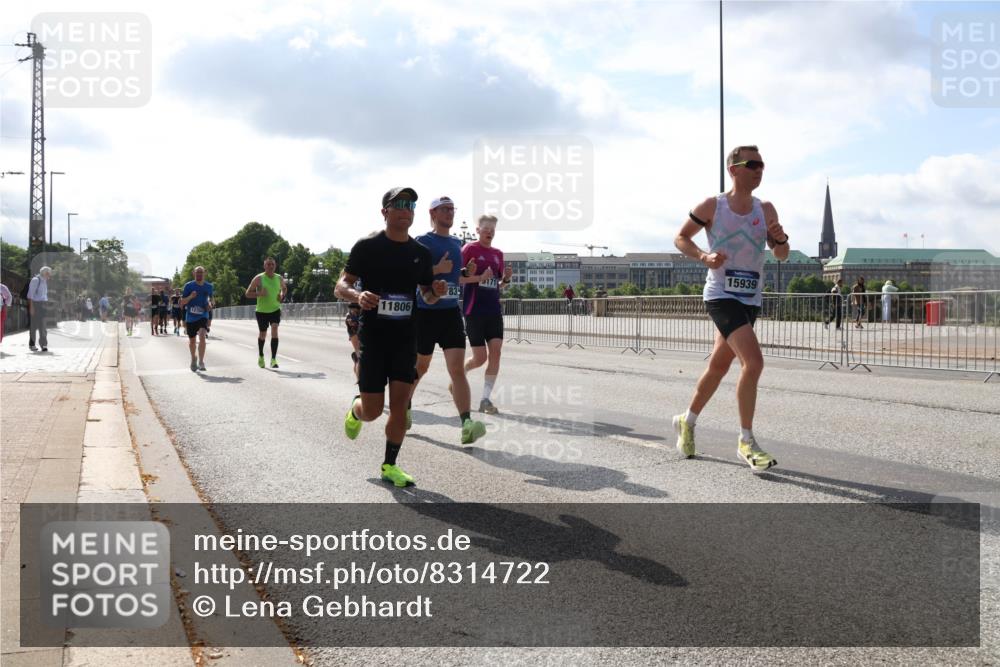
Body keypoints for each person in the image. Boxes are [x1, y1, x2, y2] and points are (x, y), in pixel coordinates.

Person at [672, 144, 789, 471]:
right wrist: (704, 257)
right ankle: (746, 441)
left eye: (762, 164)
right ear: (733, 169)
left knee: (719, 366)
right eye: (753, 164)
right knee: (753, 362)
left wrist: (779, 240)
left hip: (751, 297)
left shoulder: (765, 210)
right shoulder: (712, 206)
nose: (759, 169)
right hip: (721, 294)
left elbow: (782, 255)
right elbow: (681, 237)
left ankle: (687, 420)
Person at [334, 186, 447, 488]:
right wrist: (358, 296)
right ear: (385, 211)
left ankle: (390, 465)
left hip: (405, 338)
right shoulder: (368, 246)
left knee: (400, 406)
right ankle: (357, 409)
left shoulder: (420, 254)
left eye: (410, 204)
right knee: (373, 411)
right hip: (374, 337)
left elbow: (426, 293)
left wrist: (434, 291)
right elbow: (340, 286)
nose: (405, 209)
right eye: (398, 204)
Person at [412, 196, 487, 445]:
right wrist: (437, 270)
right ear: (432, 213)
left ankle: (466, 423)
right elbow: (411, 274)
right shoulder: (422, 242)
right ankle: (405, 406)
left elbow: (456, 276)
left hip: (450, 314)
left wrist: (467, 273)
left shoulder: (457, 242)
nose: (450, 213)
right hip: (425, 312)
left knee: (456, 369)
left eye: (452, 209)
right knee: (420, 367)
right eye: (444, 209)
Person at [462, 214, 514, 414]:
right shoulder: (469, 249)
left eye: (493, 229)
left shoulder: (498, 254)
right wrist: (478, 277)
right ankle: (461, 372)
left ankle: (485, 399)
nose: (490, 232)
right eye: (486, 229)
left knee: (496, 353)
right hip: (474, 311)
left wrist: (507, 279)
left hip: (493, 310)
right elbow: (457, 279)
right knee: (480, 358)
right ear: (477, 230)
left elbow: (499, 286)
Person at [245, 256, 286, 368]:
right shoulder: (259, 278)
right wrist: (259, 294)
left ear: (275, 266)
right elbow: (247, 293)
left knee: (274, 329)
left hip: (275, 309)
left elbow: (284, 289)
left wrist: (281, 296)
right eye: (268, 264)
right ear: (264, 266)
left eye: (272, 264)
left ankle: (273, 359)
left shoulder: (279, 278)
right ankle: (261, 355)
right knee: (263, 334)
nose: (270, 266)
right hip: (262, 311)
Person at [180, 266, 214, 371]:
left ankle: (201, 361)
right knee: (192, 341)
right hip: (190, 317)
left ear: (205, 273)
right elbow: (182, 302)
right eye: (197, 272)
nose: (199, 274)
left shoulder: (209, 286)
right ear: (193, 273)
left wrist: (210, 304)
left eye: (201, 272)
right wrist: (190, 297)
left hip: (203, 315)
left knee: (202, 336)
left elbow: (212, 300)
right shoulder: (188, 286)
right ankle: (193, 358)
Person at [27, 266, 53, 352]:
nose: (50, 275)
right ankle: (32, 344)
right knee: (33, 326)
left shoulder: (44, 281)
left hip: (43, 305)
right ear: (44, 273)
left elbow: (44, 295)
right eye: (49, 273)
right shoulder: (36, 280)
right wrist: (31, 307)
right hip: (35, 304)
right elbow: (30, 295)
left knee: (43, 326)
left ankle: (44, 344)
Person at [346, 302, 361, 380]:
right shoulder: (350, 315)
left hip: (354, 334)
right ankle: (359, 382)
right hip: (354, 332)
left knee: (360, 356)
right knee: (360, 357)